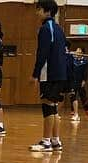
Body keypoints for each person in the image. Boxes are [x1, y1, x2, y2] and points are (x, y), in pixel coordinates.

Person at [30, 0, 69, 152]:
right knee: (53, 107)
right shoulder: (59, 29)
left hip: (50, 73)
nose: (36, 12)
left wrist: (35, 73)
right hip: (60, 74)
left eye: (38, 9)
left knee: (47, 106)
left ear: (47, 11)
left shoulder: (46, 29)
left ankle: (46, 142)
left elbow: (42, 53)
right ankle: (55, 141)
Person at [68, 44, 88, 122]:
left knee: (83, 96)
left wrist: (84, 80)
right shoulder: (73, 60)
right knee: (72, 95)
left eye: (79, 52)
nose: (77, 53)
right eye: (76, 51)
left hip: (80, 81)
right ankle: (73, 110)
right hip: (73, 80)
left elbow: (86, 72)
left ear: (82, 53)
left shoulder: (85, 61)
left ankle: (87, 109)